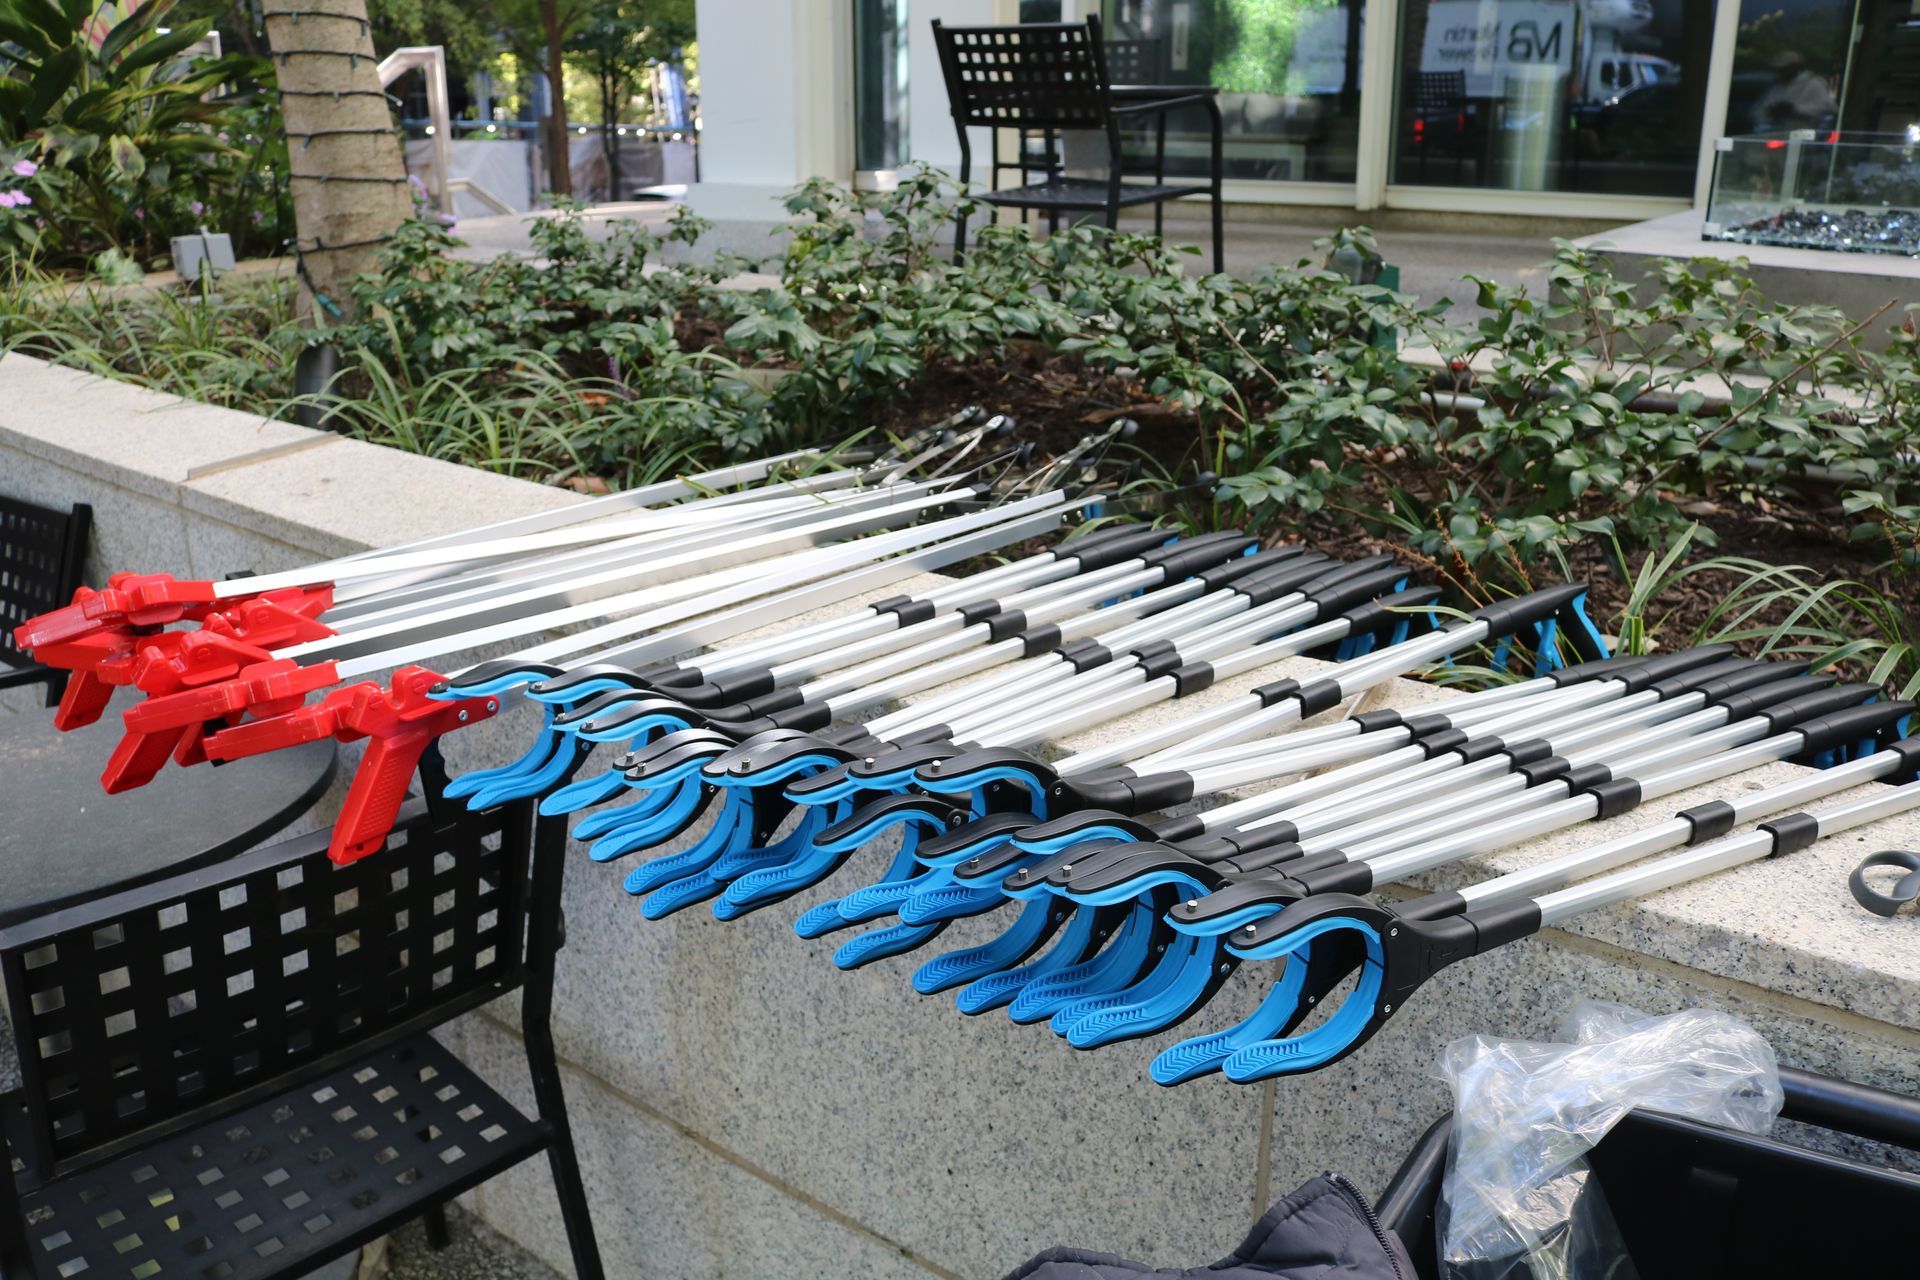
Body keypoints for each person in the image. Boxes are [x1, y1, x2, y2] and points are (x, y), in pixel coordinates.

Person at [1750, 51, 1836, 133]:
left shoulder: (1813, 83)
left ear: (1796, 67)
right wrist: (1771, 112)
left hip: (1803, 133)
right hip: (1775, 133)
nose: (1782, 72)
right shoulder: (1776, 86)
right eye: (1780, 69)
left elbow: (1828, 108)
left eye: (1786, 68)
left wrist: (1795, 110)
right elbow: (1756, 112)